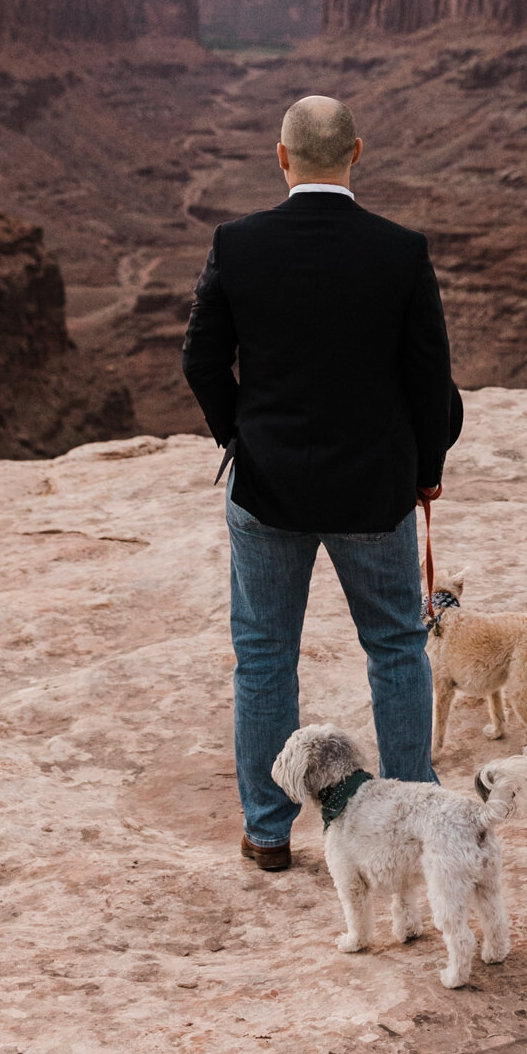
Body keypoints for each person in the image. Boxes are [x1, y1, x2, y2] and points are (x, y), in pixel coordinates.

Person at [182, 94, 458, 872]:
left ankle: (268, 833)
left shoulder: (237, 244)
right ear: (356, 153)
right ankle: (410, 815)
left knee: (265, 656)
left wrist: (241, 436)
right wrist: (426, 471)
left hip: (267, 489)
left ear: (281, 157)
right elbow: (429, 375)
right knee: (397, 647)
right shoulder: (398, 251)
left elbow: (200, 362)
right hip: (373, 490)